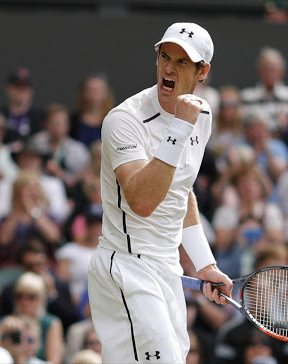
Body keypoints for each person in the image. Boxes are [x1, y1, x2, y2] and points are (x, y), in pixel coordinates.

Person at [87, 22, 233, 363]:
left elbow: (181, 191)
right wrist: (180, 126)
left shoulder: (203, 115)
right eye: (165, 56)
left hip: (168, 272)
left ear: (202, 72)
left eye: (182, 62)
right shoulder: (123, 120)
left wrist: (205, 264)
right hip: (125, 269)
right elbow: (141, 201)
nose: (169, 68)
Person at [28, 103, 90, 192]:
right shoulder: (35, 143)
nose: (56, 127)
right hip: (38, 189)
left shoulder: (78, 150)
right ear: (46, 124)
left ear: (67, 125)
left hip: (68, 194)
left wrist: (60, 173)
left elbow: (81, 178)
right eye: (53, 123)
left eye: (60, 123)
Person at [240, 47, 288, 133]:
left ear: (282, 71)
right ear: (259, 70)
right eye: (265, 68)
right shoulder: (246, 96)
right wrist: (278, 124)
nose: (269, 73)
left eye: (273, 69)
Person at [0, 67, 45, 146]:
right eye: (17, 86)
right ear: (8, 88)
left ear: (31, 90)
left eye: (25, 87)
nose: (22, 91)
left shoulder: (41, 117)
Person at [70, 73, 114, 148]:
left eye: (99, 90)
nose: (94, 94)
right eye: (90, 90)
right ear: (83, 93)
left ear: (106, 94)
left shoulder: (113, 121)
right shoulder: (72, 122)